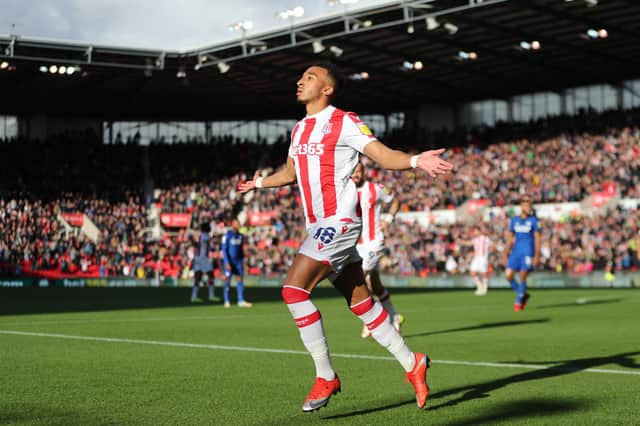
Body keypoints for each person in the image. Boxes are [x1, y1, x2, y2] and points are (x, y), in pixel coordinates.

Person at [238, 62, 453, 412]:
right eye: (300, 77)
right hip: (319, 226)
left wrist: (415, 161)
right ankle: (412, 362)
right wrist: (259, 183)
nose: (299, 81)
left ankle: (325, 375)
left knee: (293, 291)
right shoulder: (299, 129)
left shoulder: (345, 121)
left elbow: (382, 154)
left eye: (309, 77)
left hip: (337, 223)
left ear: (327, 89)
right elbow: (291, 172)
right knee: (361, 302)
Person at [351, 162, 404, 338]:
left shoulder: (377, 188)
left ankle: (372, 321)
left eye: (359, 172)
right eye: (353, 172)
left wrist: (388, 219)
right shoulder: (345, 192)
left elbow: (395, 200)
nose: (356, 175)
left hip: (375, 243)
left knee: (359, 278)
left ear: (364, 172)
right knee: (375, 285)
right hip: (357, 245)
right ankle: (394, 317)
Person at [503, 196, 540, 311]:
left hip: (528, 252)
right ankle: (523, 293)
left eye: (530, 203)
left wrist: (537, 254)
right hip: (516, 252)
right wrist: (505, 252)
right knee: (508, 276)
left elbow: (537, 238)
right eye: (526, 203)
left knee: (523, 276)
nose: (528, 206)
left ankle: (519, 300)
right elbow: (510, 238)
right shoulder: (514, 220)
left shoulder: (534, 220)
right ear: (521, 205)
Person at [221, 219, 253, 308]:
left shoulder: (241, 236)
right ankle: (226, 301)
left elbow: (240, 250)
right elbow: (224, 250)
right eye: (237, 223)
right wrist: (226, 262)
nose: (238, 225)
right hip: (230, 262)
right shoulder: (227, 235)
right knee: (227, 280)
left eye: (239, 223)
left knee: (240, 280)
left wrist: (243, 260)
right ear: (232, 224)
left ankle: (241, 300)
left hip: (238, 262)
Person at [190, 222, 218, 303]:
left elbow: (196, 244)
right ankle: (211, 295)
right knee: (211, 276)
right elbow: (201, 243)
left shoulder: (199, 236)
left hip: (197, 258)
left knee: (197, 278)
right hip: (204, 259)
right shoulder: (205, 236)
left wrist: (191, 238)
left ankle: (194, 296)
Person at [461, 225, 493, 296]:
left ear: (479, 231)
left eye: (475, 231)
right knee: (472, 272)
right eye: (474, 231)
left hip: (483, 258)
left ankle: (484, 288)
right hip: (476, 258)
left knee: (483, 273)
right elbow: (469, 243)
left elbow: (492, 245)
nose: (474, 232)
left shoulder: (485, 238)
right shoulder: (475, 239)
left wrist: (490, 251)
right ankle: (480, 286)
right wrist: (461, 241)